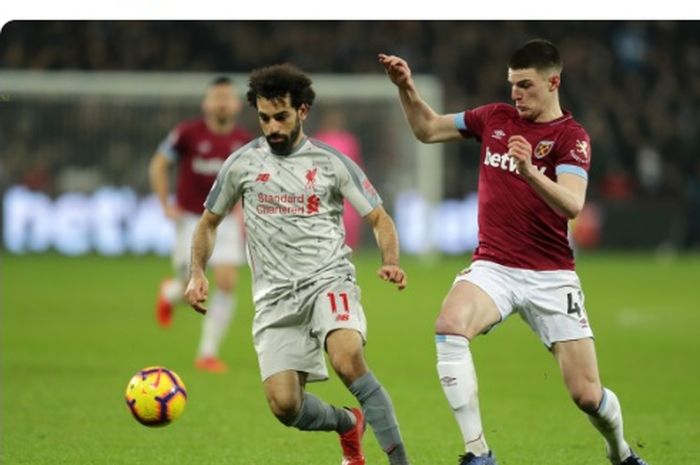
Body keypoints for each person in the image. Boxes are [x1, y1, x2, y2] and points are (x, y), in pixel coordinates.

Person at [380, 40, 649, 465]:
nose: (515, 94)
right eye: (512, 85)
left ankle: (621, 453)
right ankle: (478, 453)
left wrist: (528, 172)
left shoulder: (571, 138)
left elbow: (573, 204)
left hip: (551, 275)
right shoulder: (495, 118)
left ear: (553, 82)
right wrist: (406, 89)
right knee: (450, 326)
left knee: (587, 395)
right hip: (494, 267)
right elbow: (428, 129)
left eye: (525, 85)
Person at [185, 64, 411, 465]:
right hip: (274, 299)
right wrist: (197, 272)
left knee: (348, 358)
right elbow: (208, 223)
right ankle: (347, 422)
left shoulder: (331, 162)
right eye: (264, 118)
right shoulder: (242, 163)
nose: (272, 127)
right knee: (285, 406)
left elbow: (379, 218)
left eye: (281, 117)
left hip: (328, 281)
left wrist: (390, 260)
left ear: (303, 111)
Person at [149, 76, 252, 373]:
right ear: (206, 103)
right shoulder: (186, 134)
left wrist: (246, 211)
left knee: (226, 282)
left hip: (226, 219)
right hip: (191, 219)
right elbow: (158, 163)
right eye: (216, 97)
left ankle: (207, 352)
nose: (221, 102)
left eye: (227, 97)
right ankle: (169, 292)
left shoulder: (244, 142)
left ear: (236, 104)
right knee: (189, 286)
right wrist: (163, 202)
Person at [314, 108, 365, 249]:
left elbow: (356, 166)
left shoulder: (349, 141)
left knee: (350, 226)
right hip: (325, 193)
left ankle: (350, 257)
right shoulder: (318, 141)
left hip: (347, 192)